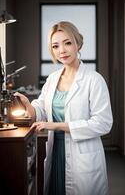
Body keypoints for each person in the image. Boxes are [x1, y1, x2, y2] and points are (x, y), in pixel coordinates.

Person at [15, 21, 113, 195]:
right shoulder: (53, 78)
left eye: (67, 43)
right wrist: (28, 105)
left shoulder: (94, 80)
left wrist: (57, 126)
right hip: (56, 151)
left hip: (82, 157)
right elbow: (41, 110)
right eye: (55, 46)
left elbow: (103, 123)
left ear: (78, 44)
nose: (62, 50)